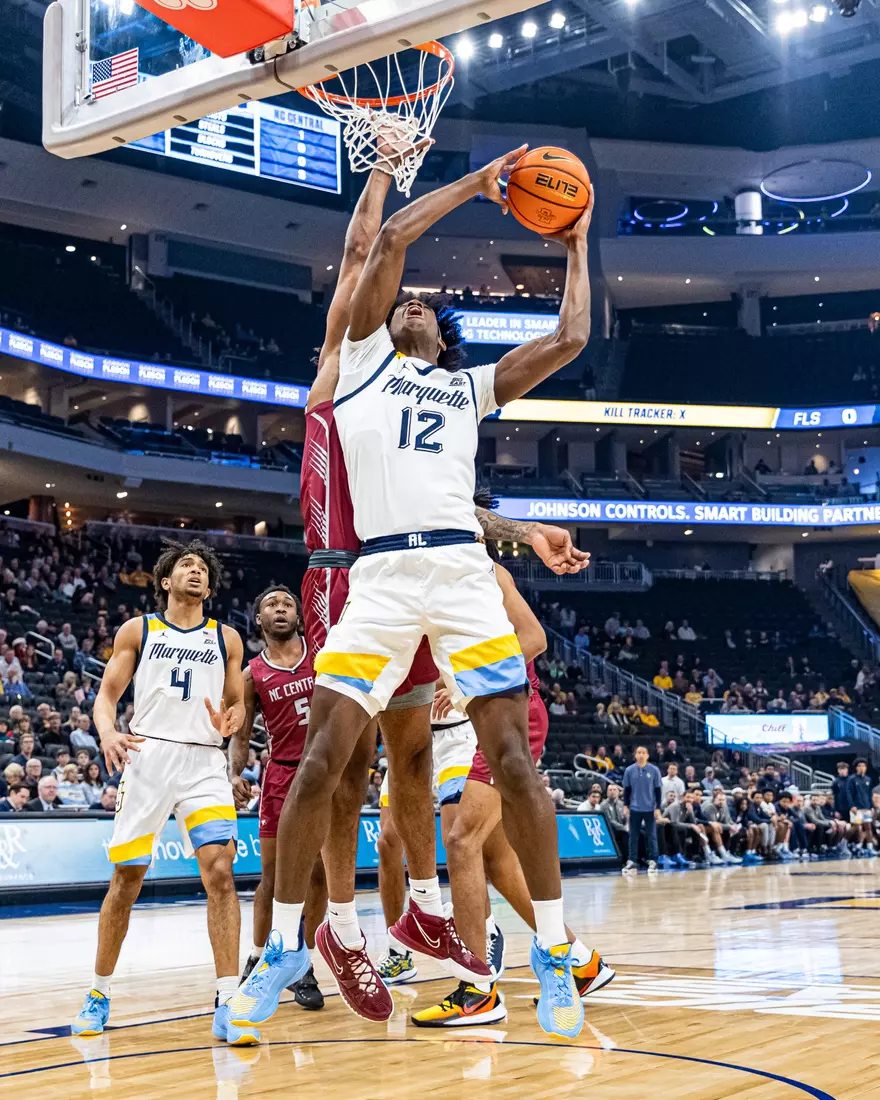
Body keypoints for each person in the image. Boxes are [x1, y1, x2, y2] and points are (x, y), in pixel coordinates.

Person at [231, 147, 594, 1042]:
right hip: (378, 577)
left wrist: (579, 246)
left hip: (465, 572)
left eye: (431, 305)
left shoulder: (468, 390)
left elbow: (571, 339)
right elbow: (385, 235)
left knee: (513, 761)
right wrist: (476, 185)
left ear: (445, 337)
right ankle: (287, 945)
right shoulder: (355, 365)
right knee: (324, 761)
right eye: (407, 300)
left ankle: (551, 952)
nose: (416, 302)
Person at [409, 544, 613, 1027]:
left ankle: (477, 990)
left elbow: (534, 638)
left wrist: (459, 683)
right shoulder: (420, 577)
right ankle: (582, 961)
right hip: (485, 718)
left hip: (513, 712)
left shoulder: (487, 569)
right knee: (496, 860)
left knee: (460, 841)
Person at [71, 539, 247, 1044]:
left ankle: (227, 1000)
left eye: (202, 569)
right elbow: (106, 696)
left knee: (220, 872)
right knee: (126, 879)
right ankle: (98, 993)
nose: (195, 572)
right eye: (185, 566)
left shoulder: (227, 638)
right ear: (166, 582)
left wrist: (231, 719)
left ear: (209, 587)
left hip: (204, 761)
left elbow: (234, 707)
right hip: (149, 757)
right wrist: (107, 733)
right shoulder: (139, 630)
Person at [231, 586, 326, 1012]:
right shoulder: (252, 674)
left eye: (288, 603)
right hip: (281, 775)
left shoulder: (322, 656)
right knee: (272, 876)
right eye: (270, 604)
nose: (281, 608)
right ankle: (258, 955)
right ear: (259, 619)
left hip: (324, 775)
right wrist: (235, 771)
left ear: (299, 615)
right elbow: (240, 730)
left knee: (320, 875)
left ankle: (299, 959)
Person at [621, 746, 662, 875]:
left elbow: (658, 791)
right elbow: (627, 790)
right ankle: (632, 860)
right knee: (633, 836)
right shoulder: (629, 770)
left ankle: (653, 860)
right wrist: (626, 805)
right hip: (634, 808)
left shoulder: (654, 770)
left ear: (647, 755)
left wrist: (657, 807)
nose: (641, 755)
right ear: (635, 755)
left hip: (650, 808)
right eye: (639, 752)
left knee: (652, 836)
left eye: (643, 752)